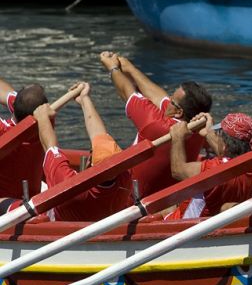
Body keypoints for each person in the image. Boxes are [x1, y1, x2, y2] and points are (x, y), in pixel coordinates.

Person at [100, 51, 212, 197]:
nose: (168, 97)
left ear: (178, 112)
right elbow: (159, 97)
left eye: (172, 98)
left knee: (100, 144)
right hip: (165, 198)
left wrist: (113, 68)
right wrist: (129, 68)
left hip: (128, 198)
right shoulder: (199, 129)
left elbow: (127, 93)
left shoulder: (156, 124)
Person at [32, 82, 133, 222]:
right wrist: (84, 99)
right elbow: (98, 134)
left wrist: (42, 117)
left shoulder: (69, 184)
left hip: (60, 224)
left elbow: (50, 146)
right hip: (104, 218)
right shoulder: (125, 175)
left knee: (5, 201)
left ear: (90, 161)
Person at [169, 112, 252, 218]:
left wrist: (177, 137)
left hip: (185, 226)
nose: (216, 136)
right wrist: (208, 133)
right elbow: (226, 155)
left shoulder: (213, 169)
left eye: (219, 134)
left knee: (161, 212)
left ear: (225, 145)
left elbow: (178, 170)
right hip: (216, 223)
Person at [0, 75, 49, 199]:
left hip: (6, 205)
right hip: (31, 196)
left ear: (15, 106)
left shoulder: (2, 130)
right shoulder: (45, 124)